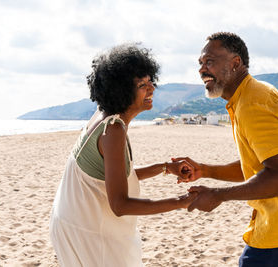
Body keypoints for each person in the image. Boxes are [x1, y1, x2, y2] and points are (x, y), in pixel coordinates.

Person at [173, 32, 278, 267]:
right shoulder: (249, 96)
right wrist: (206, 170)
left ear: (235, 63)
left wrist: (219, 195)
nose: (202, 70)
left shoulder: (252, 103)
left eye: (209, 61)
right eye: (200, 63)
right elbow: (263, 167)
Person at [49, 44, 196, 267]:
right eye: (142, 85)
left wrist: (165, 167)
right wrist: (181, 202)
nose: (151, 89)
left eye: (150, 82)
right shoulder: (113, 130)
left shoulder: (103, 116)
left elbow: (113, 176)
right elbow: (120, 204)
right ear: (121, 91)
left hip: (72, 222)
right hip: (88, 232)